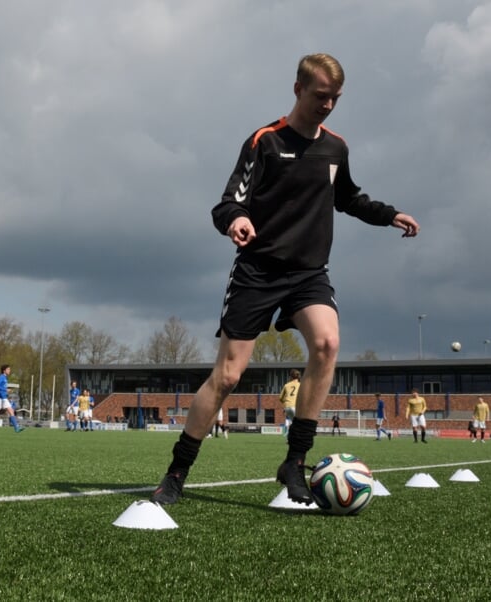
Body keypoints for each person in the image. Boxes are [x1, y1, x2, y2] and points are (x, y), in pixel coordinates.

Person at [150, 53, 420, 507]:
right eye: (320, 96)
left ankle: (295, 462)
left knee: (328, 345)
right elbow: (226, 203)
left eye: (335, 98)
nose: (328, 105)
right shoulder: (264, 142)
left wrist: (389, 214)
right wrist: (236, 219)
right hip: (257, 271)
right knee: (228, 377)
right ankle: (177, 471)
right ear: (297, 90)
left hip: (308, 273)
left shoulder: (336, 148)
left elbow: (349, 198)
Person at [279, 369, 301, 434]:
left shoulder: (286, 385)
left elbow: (280, 398)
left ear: (290, 377)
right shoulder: (300, 385)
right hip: (295, 407)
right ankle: (297, 439)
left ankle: (289, 438)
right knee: (300, 424)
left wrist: (285, 402)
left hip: (287, 407)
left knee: (292, 423)